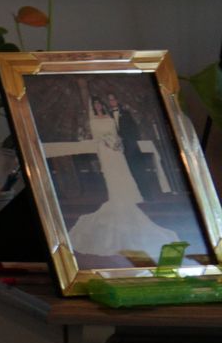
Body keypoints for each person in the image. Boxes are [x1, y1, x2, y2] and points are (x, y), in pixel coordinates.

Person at [66, 95, 181, 262]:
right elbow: (96, 136)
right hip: (104, 149)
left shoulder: (111, 116)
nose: (97, 106)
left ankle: (127, 194)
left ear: (102, 104)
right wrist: (105, 141)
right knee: (111, 174)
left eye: (99, 103)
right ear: (93, 106)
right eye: (95, 104)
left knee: (123, 171)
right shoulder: (92, 120)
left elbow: (117, 132)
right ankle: (117, 196)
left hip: (116, 149)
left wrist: (116, 141)